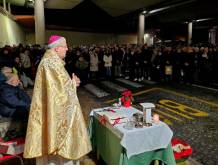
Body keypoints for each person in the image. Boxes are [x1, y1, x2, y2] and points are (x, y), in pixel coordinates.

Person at [23, 35, 91, 165]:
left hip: (52, 111)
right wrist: (72, 84)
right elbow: (58, 94)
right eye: (65, 46)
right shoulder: (51, 63)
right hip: (57, 116)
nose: (67, 49)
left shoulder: (51, 61)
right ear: (56, 48)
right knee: (58, 155)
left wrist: (71, 82)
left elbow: (57, 88)